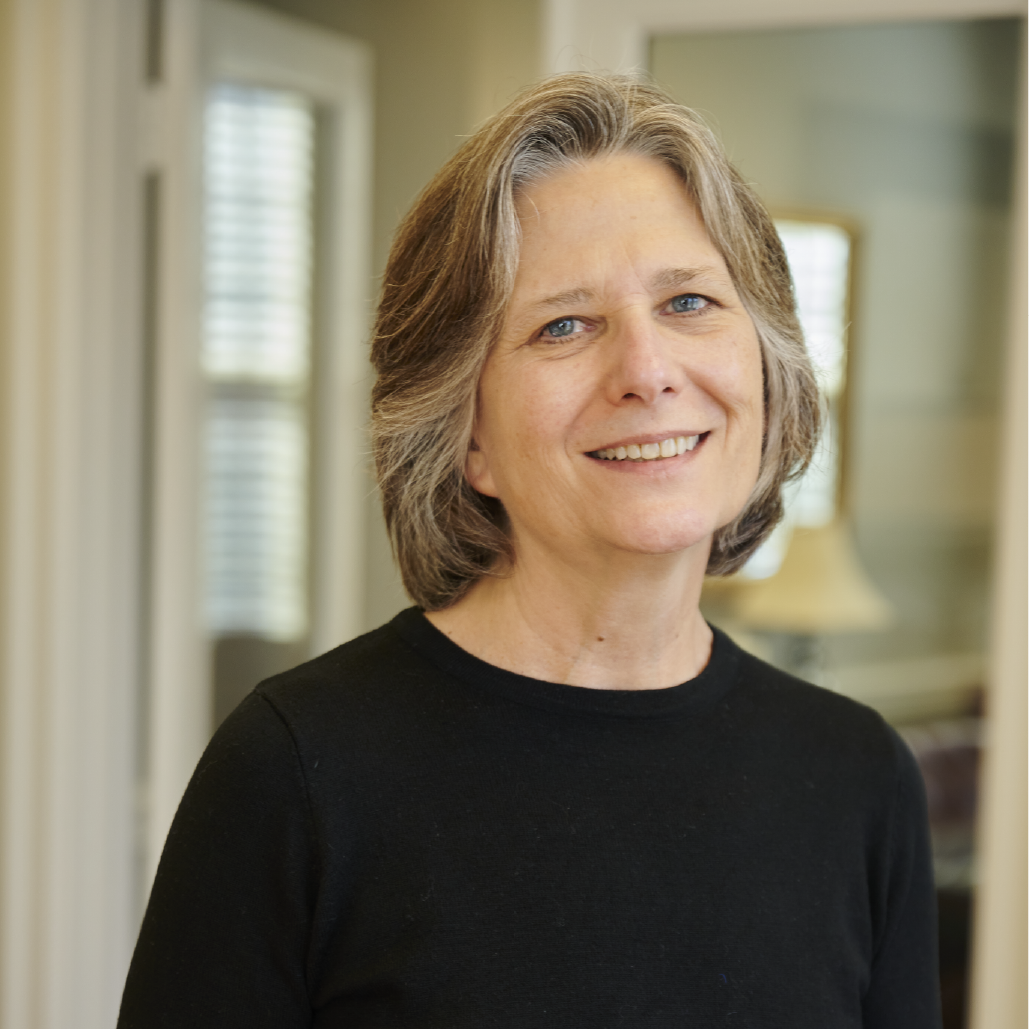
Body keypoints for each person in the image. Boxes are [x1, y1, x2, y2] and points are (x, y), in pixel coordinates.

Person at [118, 73, 941, 1028]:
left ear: (764, 364)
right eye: (564, 325)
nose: (645, 370)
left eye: (687, 304)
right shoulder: (299, 774)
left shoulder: (858, 779)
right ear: (467, 434)